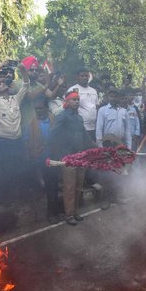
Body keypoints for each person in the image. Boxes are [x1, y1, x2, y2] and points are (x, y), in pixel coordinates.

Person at [50, 91, 94, 225]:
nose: (77, 102)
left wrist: (95, 147)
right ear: (67, 102)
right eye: (74, 99)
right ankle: (69, 214)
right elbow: (54, 135)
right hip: (67, 157)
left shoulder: (79, 118)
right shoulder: (62, 117)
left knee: (78, 186)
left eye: (78, 99)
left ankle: (75, 211)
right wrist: (59, 153)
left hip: (80, 156)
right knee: (69, 187)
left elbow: (85, 135)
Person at [0, 62, 30, 205]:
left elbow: (25, 85)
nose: (1, 84)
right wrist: (0, 67)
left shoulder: (15, 99)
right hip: (4, 142)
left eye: (4, 83)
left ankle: (17, 198)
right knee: (5, 171)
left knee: (18, 170)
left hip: (17, 141)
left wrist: (23, 71)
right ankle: (5, 200)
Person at [67, 68, 99, 141]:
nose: (85, 77)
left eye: (86, 76)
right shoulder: (72, 90)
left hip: (93, 128)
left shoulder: (93, 91)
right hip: (80, 128)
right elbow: (68, 108)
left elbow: (97, 107)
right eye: (82, 76)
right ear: (77, 77)